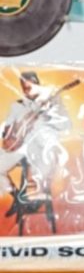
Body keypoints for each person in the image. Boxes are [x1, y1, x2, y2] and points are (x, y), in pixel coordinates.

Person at [0, 73, 72, 223]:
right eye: (24, 87)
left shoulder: (52, 104)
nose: (26, 90)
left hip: (40, 149)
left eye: (30, 86)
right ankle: (16, 198)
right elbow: (7, 126)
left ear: (37, 84)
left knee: (39, 176)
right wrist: (7, 134)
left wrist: (48, 115)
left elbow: (66, 126)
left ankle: (34, 203)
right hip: (18, 147)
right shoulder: (17, 105)